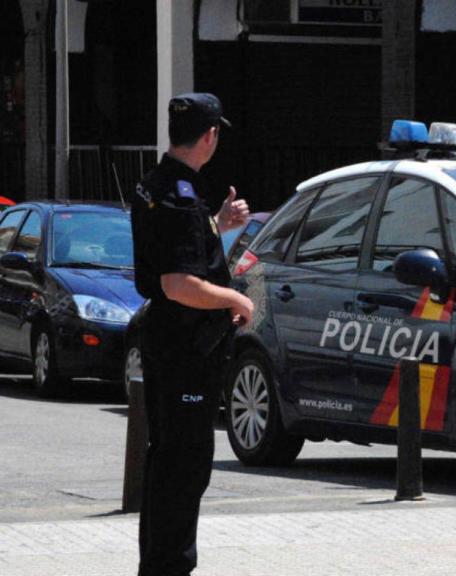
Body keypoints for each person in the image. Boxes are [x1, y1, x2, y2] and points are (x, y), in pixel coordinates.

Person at [131, 92, 254, 576]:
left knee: (166, 463)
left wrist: (218, 225)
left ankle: (157, 566)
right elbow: (178, 284)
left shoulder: (157, 184)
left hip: (166, 341)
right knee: (185, 467)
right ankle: (170, 568)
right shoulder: (182, 197)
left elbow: (176, 249)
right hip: (185, 349)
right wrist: (236, 301)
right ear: (210, 136)